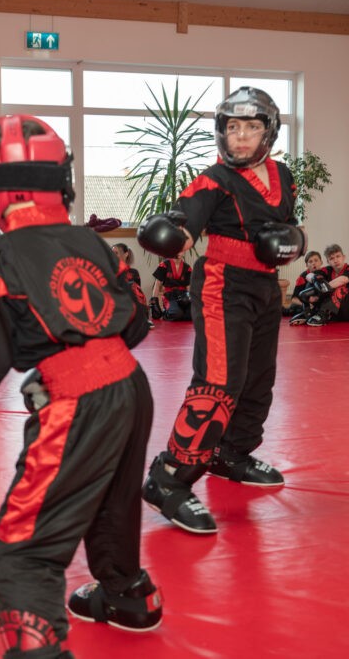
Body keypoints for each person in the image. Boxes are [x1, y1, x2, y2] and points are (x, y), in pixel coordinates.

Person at [0, 115, 161, 658]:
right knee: (111, 502)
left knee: (19, 554)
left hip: (77, 400)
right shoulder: (90, 240)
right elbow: (136, 325)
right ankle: (128, 596)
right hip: (132, 386)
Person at [137, 87, 305, 535]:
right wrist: (171, 233)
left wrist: (295, 239)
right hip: (222, 285)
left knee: (258, 379)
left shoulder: (284, 175)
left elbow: (289, 223)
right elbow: (185, 222)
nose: (241, 136)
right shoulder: (213, 179)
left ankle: (231, 454)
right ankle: (168, 478)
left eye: (251, 127)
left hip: (265, 287)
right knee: (218, 383)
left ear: (269, 132)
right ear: (221, 133)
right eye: (233, 127)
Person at [292, 243, 349, 327]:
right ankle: (308, 312)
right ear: (328, 262)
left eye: (338, 256)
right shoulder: (327, 270)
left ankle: (322, 313)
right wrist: (315, 280)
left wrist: (318, 291)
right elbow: (309, 275)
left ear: (343, 257)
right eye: (332, 258)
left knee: (339, 288)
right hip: (337, 312)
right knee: (315, 281)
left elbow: (342, 280)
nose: (335, 260)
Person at [149, 252, 192, 321]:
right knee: (176, 314)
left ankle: (180, 313)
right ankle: (166, 313)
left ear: (184, 251)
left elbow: (188, 287)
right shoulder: (164, 265)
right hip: (170, 296)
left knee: (192, 314)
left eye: (181, 250)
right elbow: (157, 284)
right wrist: (154, 301)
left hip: (183, 296)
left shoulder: (187, 268)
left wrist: (190, 298)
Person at [285, 250, 323, 317]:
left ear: (321, 262)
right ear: (306, 265)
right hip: (306, 303)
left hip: (320, 303)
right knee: (294, 308)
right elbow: (294, 299)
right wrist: (307, 305)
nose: (313, 263)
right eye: (310, 262)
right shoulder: (302, 277)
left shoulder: (326, 273)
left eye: (316, 260)